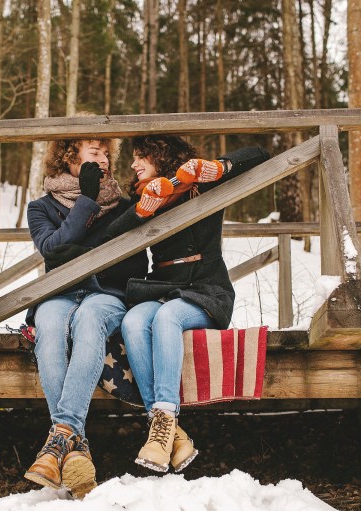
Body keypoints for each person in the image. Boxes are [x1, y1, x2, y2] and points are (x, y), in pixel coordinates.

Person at [104, 135, 269, 473]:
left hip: (205, 288)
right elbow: (111, 235)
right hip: (161, 286)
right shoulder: (144, 194)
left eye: (141, 157)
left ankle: (163, 417)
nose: (134, 165)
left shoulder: (200, 185)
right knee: (134, 321)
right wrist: (139, 211)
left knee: (166, 318)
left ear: (161, 156)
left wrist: (219, 167)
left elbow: (258, 153)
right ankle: (169, 434)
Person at [23, 138, 148, 498]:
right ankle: (75, 448)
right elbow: (51, 248)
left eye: (107, 154)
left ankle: (59, 439)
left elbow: (134, 263)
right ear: (68, 157)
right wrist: (87, 201)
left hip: (107, 295)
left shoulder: (124, 204)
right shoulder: (40, 207)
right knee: (49, 326)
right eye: (95, 153)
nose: (104, 160)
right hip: (60, 293)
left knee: (89, 319)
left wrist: (78, 250)